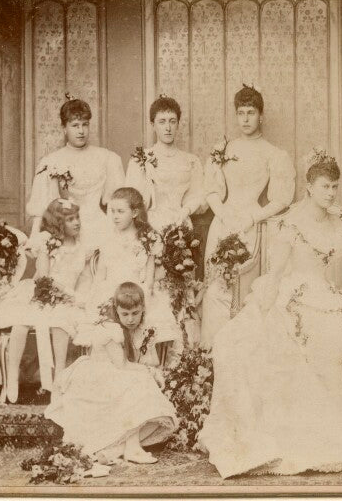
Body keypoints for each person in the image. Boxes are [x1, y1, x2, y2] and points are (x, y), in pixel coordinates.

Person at [198, 149, 342, 478]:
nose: (331, 193)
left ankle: (328, 420)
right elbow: (278, 270)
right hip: (293, 293)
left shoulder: (340, 222)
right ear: (310, 186)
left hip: (324, 293)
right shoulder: (292, 222)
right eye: (325, 186)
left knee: (338, 332)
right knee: (261, 341)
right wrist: (266, 303)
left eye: (335, 187)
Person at [200, 84, 295, 348]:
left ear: (261, 116)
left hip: (251, 225)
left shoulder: (272, 153)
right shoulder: (223, 148)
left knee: (243, 288)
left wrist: (253, 218)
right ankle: (213, 349)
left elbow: (281, 198)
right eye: (240, 112)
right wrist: (224, 214)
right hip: (223, 221)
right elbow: (211, 191)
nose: (245, 118)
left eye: (250, 112)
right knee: (217, 286)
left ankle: (241, 352)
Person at [45, 282, 177, 464]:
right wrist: (150, 372)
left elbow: (152, 360)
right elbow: (121, 365)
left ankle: (121, 449)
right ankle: (130, 447)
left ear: (142, 309)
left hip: (117, 374)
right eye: (125, 314)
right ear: (116, 310)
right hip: (97, 376)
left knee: (142, 383)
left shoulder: (142, 328)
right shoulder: (109, 328)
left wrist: (151, 365)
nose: (130, 319)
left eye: (135, 313)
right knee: (140, 381)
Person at [0, 198, 91, 403]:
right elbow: (43, 276)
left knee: (60, 323)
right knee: (21, 322)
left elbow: (83, 279)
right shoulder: (48, 243)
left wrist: (74, 296)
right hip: (41, 291)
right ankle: (12, 377)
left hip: (65, 299)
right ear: (59, 223)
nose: (76, 222)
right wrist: (59, 291)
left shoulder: (82, 247)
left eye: (77, 218)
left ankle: (59, 378)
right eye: (70, 219)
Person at [89, 188, 180, 356]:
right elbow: (100, 275)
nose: (115, 216)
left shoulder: (148, 238)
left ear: (134, 212)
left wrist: (145, 293)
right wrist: (94, 297)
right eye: (112, 211)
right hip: (111, 290)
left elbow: (150, 277)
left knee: (147, 315)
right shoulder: (107, 237)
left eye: (120, 211)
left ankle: (141, 361)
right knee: (105, 318)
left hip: (139, 289)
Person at [26, 95, 124, 249]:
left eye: (85, 125)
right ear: (64, 128)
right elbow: (40, 207)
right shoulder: (51, 162)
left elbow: (115, 202)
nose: (81, 131)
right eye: (75, 125)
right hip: (68, 230)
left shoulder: (107, 157)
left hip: (101, 228)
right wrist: (33, 238)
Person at [125, 95, 207, 232]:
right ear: (153, 125)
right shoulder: (140, 160)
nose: (168, 127)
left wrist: (185, 211)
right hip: (151, 228)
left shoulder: (191, 161)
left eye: (172, 121)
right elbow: (132, 201)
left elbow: (198, 195)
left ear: (178, 124)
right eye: (162, 122)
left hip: (181, 225)